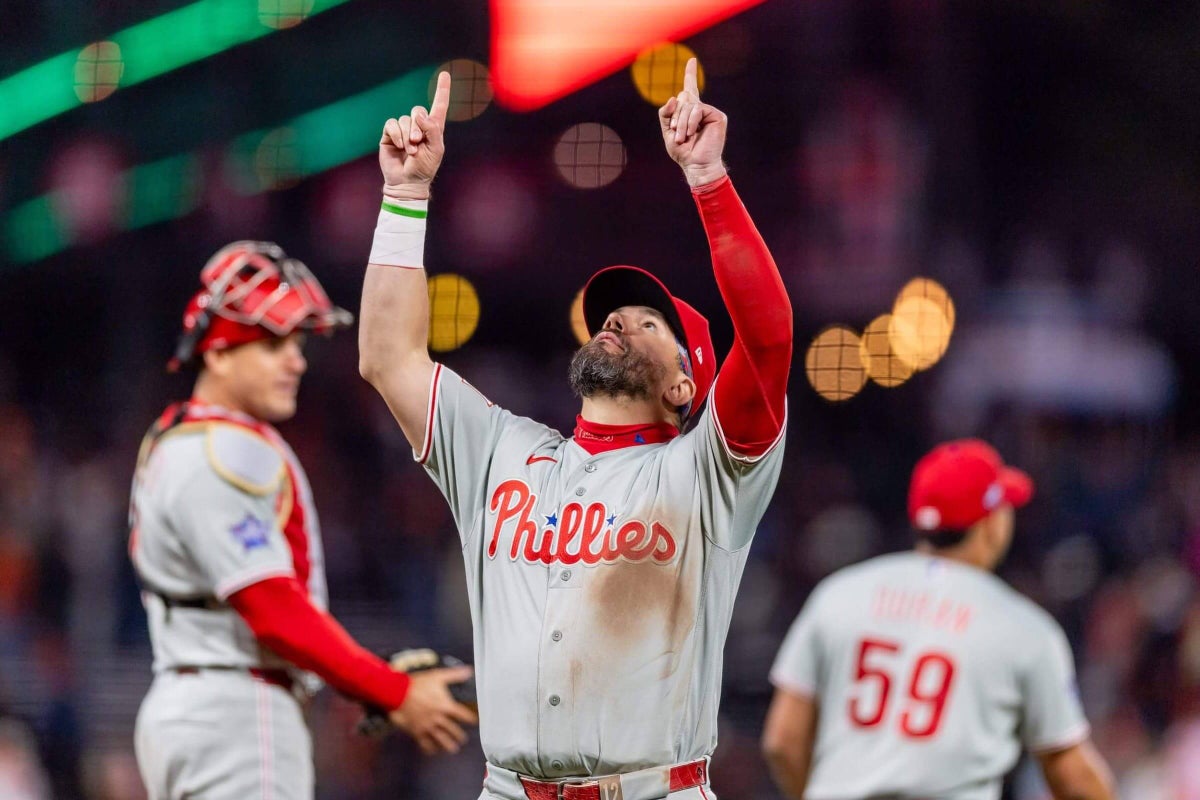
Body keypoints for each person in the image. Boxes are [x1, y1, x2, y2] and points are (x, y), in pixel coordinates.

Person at [358, 60, 792, 800]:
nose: (618, 321)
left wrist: (709, 181)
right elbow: (387, 358)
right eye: (611, 317)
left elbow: (771, 339)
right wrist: (405, 196)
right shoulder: (502, 450)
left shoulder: (709, 472)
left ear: (686, 385)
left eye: (648, 322)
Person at [128, 241, 478, 800]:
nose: (295, 360)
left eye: (295, 343)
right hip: (239, 715)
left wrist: (361, 676)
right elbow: (272, 611)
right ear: (217, 353)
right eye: (270, 344)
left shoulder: (178, 434)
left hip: (205, 701)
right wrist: (391, 691)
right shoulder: (222, 453)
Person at [762, 439, 1116, 800]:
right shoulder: (1024, 627)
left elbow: (783, 740)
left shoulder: (837, 594)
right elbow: (1073, 778)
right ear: (991, 523)